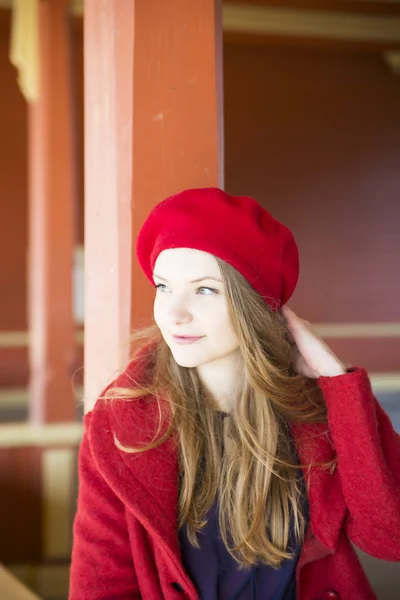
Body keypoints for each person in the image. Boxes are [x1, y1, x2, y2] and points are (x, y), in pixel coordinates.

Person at [69, 187, 400, 600]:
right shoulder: (119, 425)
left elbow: (390, 538)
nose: (174, 313)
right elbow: (101, 590)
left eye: (204, 289)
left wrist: (336, 380)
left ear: (255, 304)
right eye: (163, 287)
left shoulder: (319, 407)